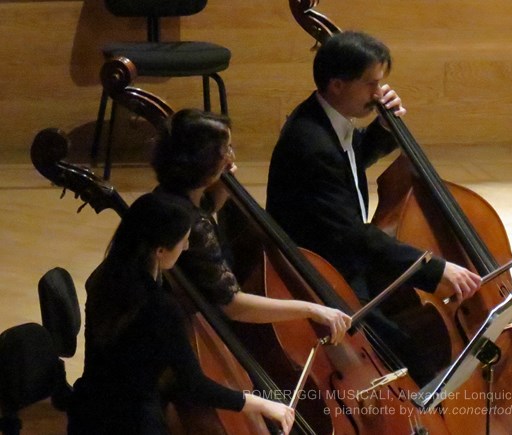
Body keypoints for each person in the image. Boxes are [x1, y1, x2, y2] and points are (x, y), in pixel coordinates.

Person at [266, 31, 481, 385]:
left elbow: (350, 163)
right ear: (337, 84)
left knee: (416, 335)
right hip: (326, 274)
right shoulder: (310, 142)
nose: (379, 94)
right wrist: (433, 268)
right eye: (371, 84)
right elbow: (350, 234)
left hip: (343, 257)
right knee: (409, 356)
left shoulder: (323, 117)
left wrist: (383, 128)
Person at [67, 193, 295, 435]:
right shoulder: (161, 308)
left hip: (86, 414)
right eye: (184, 241)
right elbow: (193, 386)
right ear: (161, 251)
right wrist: (263, 404)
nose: (186, 247)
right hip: (132, 425)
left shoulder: (101, 280)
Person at [150, 108, 352, 344]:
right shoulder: (193, 226)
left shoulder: (171, 194)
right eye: (225, 150)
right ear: (204, 161)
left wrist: (224, 184)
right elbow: (234, 305)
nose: (231, 157)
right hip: (200, 333)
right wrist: (311, 309)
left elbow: (205, 205)